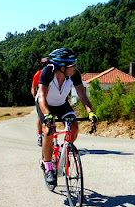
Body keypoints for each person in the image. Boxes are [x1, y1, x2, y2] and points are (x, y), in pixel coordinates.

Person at [35, 48, 97, 185]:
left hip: (61, 104)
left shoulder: (74, 75)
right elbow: (42, 97)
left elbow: (82, 95)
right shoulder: (47, 72)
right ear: (62, 67)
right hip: (45, 104)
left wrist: (90, 112)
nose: (75, 67)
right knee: (48, 129)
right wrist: (47, 115)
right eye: (72, 65)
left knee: (74, 127)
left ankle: (64, 149)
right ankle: (48, 166)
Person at [31, 57, 50, 146]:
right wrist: (36, 96)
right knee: (40, 116)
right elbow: (33, 87)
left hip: (51, 97)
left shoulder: (53, 73)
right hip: (41, 97)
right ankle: (39, 135)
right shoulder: (38, 74)